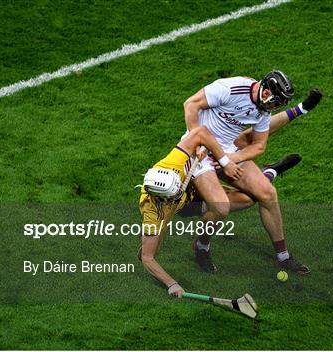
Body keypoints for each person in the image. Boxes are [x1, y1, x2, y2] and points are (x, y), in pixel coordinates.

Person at [183, 70, 322, 274]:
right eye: (273, 102)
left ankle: (282, 257)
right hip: (200, 152)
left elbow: (258, 146)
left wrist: (231, 159)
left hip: (228, 151)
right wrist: (195, 142)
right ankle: (202, 245)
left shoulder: (263, 109)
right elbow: (191, 104)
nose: (272, 108)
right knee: (220, 209)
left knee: (267, 194)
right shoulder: (230, 88)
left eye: (277, 105)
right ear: (265, 91)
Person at [138, 125, 243, 298]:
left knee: (245, 199)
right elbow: (147, 258)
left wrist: (200, 149)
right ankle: (149, 241)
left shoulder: (174, 163)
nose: (179, 186)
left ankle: (269, 174)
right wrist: (172, 284)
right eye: (176, 191)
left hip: (190, 194)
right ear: (165, 198)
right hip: (174, 208)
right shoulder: (153, 214)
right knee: (151, 252)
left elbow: (201, 131)